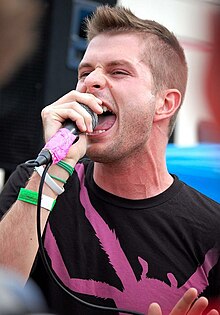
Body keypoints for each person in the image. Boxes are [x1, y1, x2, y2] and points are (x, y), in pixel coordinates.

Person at [0, 4, 220, 315]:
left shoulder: (211, 230)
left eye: (118, 71)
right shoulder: (34, 181)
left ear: (165, 103)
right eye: (86, 72)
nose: (90, 82)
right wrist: (51, 172)